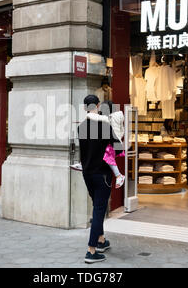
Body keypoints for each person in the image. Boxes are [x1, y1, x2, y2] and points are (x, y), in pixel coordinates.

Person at [78, 95, 123, 264]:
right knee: (98, 210)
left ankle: (101, 240)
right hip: (102, 175)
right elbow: (118, 148)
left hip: (87, 174)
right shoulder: (104, 126)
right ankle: (91, 251)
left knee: (98, 206)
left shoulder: (81, 127)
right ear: (97, 106)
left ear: (84, 108)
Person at [70, 101, 126, 188]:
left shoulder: (109, 119)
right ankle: (82, 163)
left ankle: (119, 175)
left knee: (107, 156)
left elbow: (113, 134)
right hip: (114, 141)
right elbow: (122, 131)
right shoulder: (115, 117)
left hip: (112, 143)